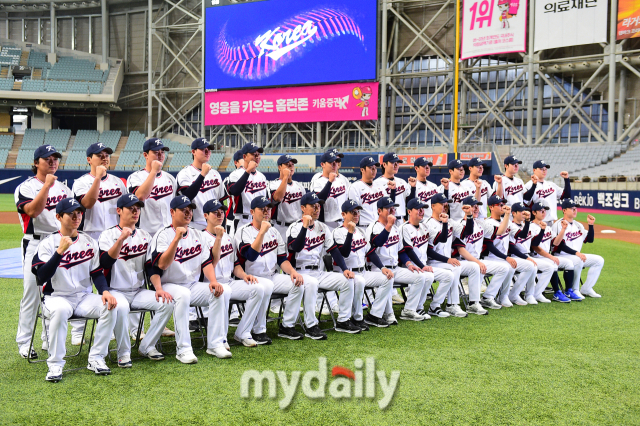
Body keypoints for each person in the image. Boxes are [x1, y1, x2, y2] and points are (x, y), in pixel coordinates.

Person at [31, 198, 117, 382]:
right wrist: (59, 252)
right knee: (61, 310)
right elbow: (41, 277)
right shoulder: (48, 243)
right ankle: (55, 364)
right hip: (56, 297)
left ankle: (96, 358)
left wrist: (105, 291)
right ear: (59, 217)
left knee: (110, 306)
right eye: (71, 213)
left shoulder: (88, 241)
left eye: (79, 213)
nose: (76, 216)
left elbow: (97, 272)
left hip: (84, 297)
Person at [147, 196, 232, 362]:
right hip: (169, 284)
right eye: (183, 209)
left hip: (192, 285)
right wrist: (176, 239)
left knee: (222, 290)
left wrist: (213, 281)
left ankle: (215, 344)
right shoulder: (163, 235)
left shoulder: (196, 234)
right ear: (172, 212)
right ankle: (183, 349)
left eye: (190, 209)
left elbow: (206, 262)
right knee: (183, 294)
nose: (188, 213)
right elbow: (162, 264)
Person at [98, 194, 173, 367]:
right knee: (121, 307)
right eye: (130, 208)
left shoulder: (145, 236)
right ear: (119, 211)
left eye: (137, 208)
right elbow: (105, 263)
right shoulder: (107, 235)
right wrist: (121, 240)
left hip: (139, 291)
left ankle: (147, 346)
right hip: (116, 290)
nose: (135, 211)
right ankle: (123, 353)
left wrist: (158, 288)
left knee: (167, 303)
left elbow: (150, 266)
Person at [15, 144, 71, 359]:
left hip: (58, 243)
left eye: (55, 158)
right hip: (36, 243)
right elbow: (33, 211)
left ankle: (48, 339)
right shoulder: (26, 187)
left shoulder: (65, 190)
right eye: (48, 158)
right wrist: (47, 186)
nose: (52, 162)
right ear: (36, 162)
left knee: (55, 291)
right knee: (33, 294)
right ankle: (24, 342)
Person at [234, 196, 310, 341]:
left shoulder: (274, 232)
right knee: (266, 285)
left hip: (272, 276)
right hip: (251, 278)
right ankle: (258, 329)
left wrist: (293, 272)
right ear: (252, 211)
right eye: (262, 209)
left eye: (268, 209)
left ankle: (287, 326)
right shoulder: (243, 231)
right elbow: (250, 256)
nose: (266, 212)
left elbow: (282, 259)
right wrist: (262, 232)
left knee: (298, 284)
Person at [287, 192, 362, 336]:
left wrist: (345, 269)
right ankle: (311, 325)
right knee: (312, 283)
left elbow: (334, 250)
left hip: (319, 272)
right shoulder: (294, 228)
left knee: (347, 280)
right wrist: (304, 227)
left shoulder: (322, 227)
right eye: (313, 206)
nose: (317, 209)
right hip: (300, 273)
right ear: (303, 208)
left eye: (318, 206)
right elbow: (295, 247)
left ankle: (343, 320)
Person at [201, 199, 273, 346]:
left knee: (257, 288)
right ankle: (220, 339)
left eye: (222, 212)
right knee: (224, 291)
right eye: (215, 212)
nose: (220, 215)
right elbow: (206, 264)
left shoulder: (228, 238)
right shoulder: (200, 237)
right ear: (205, 216)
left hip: (229, 281)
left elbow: (235, 265)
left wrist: (244, 276)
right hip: (207, 283)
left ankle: (243, 332)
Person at [366, 196, 430, 322]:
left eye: (393, 208)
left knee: (420, 276)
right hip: (378, 269)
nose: (392, 211)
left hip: (395, 268)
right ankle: (387, 313)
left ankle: (409, 310)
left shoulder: (395, 228)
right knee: (387, 278)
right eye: (389, 209)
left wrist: (407, 263)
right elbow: (377, 243)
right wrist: (389, 225)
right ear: (379, 211)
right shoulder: (373, 227)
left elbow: (401, 250)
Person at [333, 200, 394, 328]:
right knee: (359, 280)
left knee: (387, 278)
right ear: (343, 214)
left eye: (358, 212)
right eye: (353, 212)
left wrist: (382, 268)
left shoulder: (360, 231)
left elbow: (370, 252)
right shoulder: (337, 232)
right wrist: (349, 233)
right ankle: (357, 317)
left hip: (363, 272)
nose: (356, 214)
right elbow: (344, 253)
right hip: (346, 273)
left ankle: (374, 315)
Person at [423, 193, 481, 318]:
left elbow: (467, 232)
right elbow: (429, 251)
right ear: (433, 206)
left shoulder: (450, 222)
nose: (445, 205)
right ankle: (451, 305)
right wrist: (448, 259)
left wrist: (469, 215)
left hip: (446, 262)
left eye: (446, 203)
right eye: (442, 203)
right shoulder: (427, 224)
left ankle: (473, 302)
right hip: (433, 262)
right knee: (455, 267)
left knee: (474, 267)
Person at [399, 198, 458, 317]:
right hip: (409, 267)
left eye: (423, 209)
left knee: (448, 276)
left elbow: (442, 238)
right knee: (428, 275)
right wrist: (423, 266)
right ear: (409, 211)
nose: (421, 211)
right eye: (418, 209)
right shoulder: (404, 228)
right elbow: (408, 251)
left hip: (423, 265)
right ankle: (418, 307)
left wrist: (445, 223)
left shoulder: (424, 227)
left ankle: (434, 306)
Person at [453, 196, 511, 311]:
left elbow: (500, 231)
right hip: (462, 261)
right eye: (473, 206)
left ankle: (488, 297)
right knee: (477, 267)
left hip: (477, 260)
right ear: (465, 208)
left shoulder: (480, 223)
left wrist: (507, 215)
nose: (476, 209)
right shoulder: (458, 224)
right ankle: (474, 302)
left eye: (477, 206)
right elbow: (461, 250)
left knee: (504, 268)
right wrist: (478, 262)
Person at [72, 142, 126, 240]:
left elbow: (125, 208)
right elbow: (87, 204)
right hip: (90, 233)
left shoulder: (118, 181)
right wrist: (98, 178)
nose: (104, 158)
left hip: (114, 232)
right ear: (89, 160)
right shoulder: (81, 182)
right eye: (99, 156)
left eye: (107, 155)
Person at [551, 199, 604, 298]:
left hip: (576, 256)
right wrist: (576, 253)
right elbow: (559, 245)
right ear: (564, 210)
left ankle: (586, 288)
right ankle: (575, 289)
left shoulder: (578, 225)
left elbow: (589, 239)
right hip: (561, 256)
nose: (575, 210)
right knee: (578, 260)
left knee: (599, 260)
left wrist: (591, 225)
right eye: (572, 208)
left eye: (575, 208)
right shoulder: (558, 224)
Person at [126, 138, 176, 236]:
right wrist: (153, 171)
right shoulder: (136, 177)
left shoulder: (169, 178)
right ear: (145, 155)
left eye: (162, 152)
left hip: (168, 230)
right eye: (156, 152)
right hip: (146, 232)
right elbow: (139, 197)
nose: (160, 155)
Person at [508, 202, 555, 305]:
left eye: (524, 210)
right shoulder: (510, 226)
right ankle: (514, 294)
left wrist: (542, 230)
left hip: (526, 255)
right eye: (521, 211)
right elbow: (513, 246)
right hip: (515, 256)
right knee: (531, 266)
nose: (524, 213)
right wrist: (526, 258)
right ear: (514, 213)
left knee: (549, 267)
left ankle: (535, 294)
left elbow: (534, 243)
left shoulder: (526, 225)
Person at [529, 201, 573, 303]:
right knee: (552, 263)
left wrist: (563, 229)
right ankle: (557, 292)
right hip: (536, 257)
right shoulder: (530, 227)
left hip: (546, 257)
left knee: (569, 263)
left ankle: (568, 291)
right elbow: (534, 247)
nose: (544, 213)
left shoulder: (548, 227)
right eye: (541, 210)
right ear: (534, 213)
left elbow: (556, 243)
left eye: (544, 211)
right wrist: (550, 256)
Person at [176, 138, 224, 231]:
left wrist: (222, 224)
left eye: (208, 149)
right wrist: (202, 175)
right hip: (193, 223)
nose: (207, 152)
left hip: (213, 223)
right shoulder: (185, 173)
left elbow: (221, 201)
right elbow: (187, 196)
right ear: (193, 151)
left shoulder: (215, 174)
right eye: (203, 149)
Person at [226, 142, 269, 230]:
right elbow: (234, 191)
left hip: (260, 220)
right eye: (254, 154)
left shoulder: (262, 177)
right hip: (242, 220)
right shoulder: (235, 174)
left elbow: (266, 200)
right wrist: (248, 170)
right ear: (244, 157)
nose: (257, 157)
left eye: (258, 154)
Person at [523, 160, 571, 225]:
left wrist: (567, 179)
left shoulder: (551, 185)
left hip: (551, 222)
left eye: (545, 169)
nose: (544, 171)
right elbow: (525, 204)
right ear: (534, 170)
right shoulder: (528, 186)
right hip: (537, 223)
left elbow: (567, 195)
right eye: (541, 169)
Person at [311, 150, 350, 230]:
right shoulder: (318, 179)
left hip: (343, 221)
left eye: (337, 161)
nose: (335, 164)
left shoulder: (344, 179)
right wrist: (329, 182)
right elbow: (318, 200)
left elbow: (348, 200)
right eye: (332, 162)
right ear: (322, 164)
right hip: (327, 223)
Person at [270, 154, 305, 240]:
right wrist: (285, 177)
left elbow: (305, 208)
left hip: (297, 226)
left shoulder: (299, 186)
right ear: (279, 167)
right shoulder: (274, 184)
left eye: (292, 164)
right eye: (287, 164)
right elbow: (277, 198)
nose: (291, 166)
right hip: (280, 227)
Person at [349, 156, 386, 232]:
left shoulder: (379, 186)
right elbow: (354, 210)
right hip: (363, 227)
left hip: (378, 226)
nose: (374, 170)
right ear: (362, 169)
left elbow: (386, 205)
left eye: (375, 168)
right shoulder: (355, 187)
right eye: (370, 167)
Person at [373, 153, 410, 225]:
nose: (396, 165)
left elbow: (409, 202)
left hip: (401, 220)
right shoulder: (376, 183)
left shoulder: (402, 182)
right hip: (385, 221)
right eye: (393, 163)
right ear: (384, 165)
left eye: (397, 163)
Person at [222, 150, 244, 237]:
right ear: (236, 162)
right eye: (243, 159)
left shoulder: (255, 178)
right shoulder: (229, 179)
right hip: (233, 219)